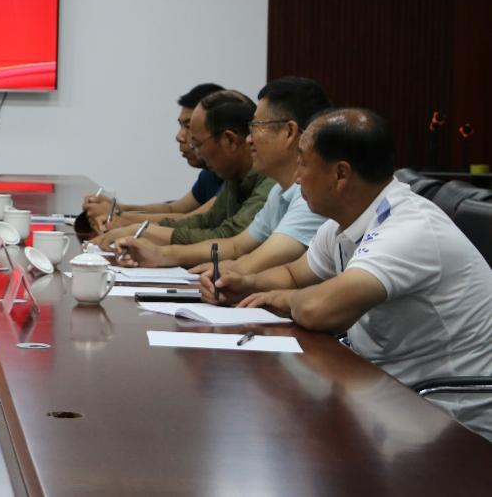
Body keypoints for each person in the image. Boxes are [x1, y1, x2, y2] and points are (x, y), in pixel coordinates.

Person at [206, 109, 492, 440]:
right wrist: (245, 285)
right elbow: (294, 275)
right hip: (389, 388)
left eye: (303, 163)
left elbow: (318, 309)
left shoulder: (409, 228)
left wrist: (277, 298)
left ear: (340, 174)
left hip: (448, 410)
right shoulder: (345, 221)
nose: (296, 177)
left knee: (295, 435)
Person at [116, 76, 330, 271]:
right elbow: (236, 246)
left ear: (289, 132)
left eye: (256, 126)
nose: (249, 139)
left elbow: (255, 263)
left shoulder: (311, 198)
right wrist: (160, 254)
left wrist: (221, 271)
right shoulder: (279, 192)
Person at [96, 89, 275, 248]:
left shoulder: (270, 179)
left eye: (197, 144)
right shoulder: (234, 176)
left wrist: (145, 234)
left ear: (229, 140)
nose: (196, 151)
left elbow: (228, 237)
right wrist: (140, 228)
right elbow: (204, 221)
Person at [84, 82, 224, 232]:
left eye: (189, 127)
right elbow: (172, 209)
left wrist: (119, 216)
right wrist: (117, 208)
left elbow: (192, 220)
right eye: (181, 126)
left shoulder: (233, 180)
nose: (179, 136)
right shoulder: (210, 174)